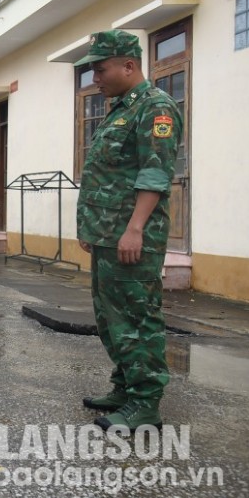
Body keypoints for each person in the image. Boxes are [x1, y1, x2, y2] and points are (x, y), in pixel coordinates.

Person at [75, 29, 182, 432]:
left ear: (129, 65)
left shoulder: (155, 109)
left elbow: (155, 175)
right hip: (107, 235)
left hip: (132, 237)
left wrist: (135, 229)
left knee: (137, 319)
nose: (95, 79)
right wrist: (91, 228)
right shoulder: (121, 109)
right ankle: (124, 386)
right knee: (110, 318)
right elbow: (107, 177)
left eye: (100, 70)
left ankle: (145, 404)